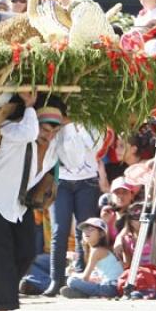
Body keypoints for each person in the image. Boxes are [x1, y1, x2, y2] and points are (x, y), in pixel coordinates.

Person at [0, 96, 87, 311]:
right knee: (1, 253)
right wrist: (28, 107)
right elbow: (27, 132)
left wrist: (66, 127)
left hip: (18, 204)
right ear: (35, 121)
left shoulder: (55, 143)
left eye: (54, 131)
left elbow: (75, 160)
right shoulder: (13, 130)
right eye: (45, 129)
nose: (48, 135)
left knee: (26, 252)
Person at [43, 117, 103, 297]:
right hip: (60, 181)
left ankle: (81, 275)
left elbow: (94, 146)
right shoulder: (56, 122)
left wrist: (74, 125)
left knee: (84, 230)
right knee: (59, 230)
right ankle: (56, 278)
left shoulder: (94, 121)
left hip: (87, 181)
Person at [60, 218, 123, 298]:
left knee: (71, 280)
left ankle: (86, 294)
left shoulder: (97, 251)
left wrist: (72, 274)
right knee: (89, 278)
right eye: (85, 229)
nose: (86, 232)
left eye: (91, 229)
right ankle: (83, 294)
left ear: (101, 234)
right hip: (111, 287)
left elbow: (85, 277)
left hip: (110, 288)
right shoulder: (100, 250)